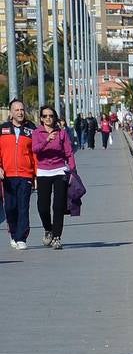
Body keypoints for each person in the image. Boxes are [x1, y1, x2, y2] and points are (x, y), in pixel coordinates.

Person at [32, 105, 75, 250]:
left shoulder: (62, 133)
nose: (48, 118)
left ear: (54, 117)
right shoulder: (37, 132)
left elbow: (69, 153)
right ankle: (48, 229)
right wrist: (47, 140)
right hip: (43, 172)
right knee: (42, 207)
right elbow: (35, 149)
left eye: (51, 116)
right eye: (45, 116)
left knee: (58, 206)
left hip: (59, 171)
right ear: (41, 118)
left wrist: (73, 171)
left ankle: (57, 237)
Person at [1, 99, 37, 250]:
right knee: (10, 207)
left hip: (25, 175)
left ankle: (21, 237)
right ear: (11, 113)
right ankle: (13, 233)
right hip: (7, 175)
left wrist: (36, 176)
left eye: (22, 109)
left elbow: (36, 154)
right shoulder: (2, 129)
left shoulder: (31, 129)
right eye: (16, 110)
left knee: (23, 207)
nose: (20, 112)